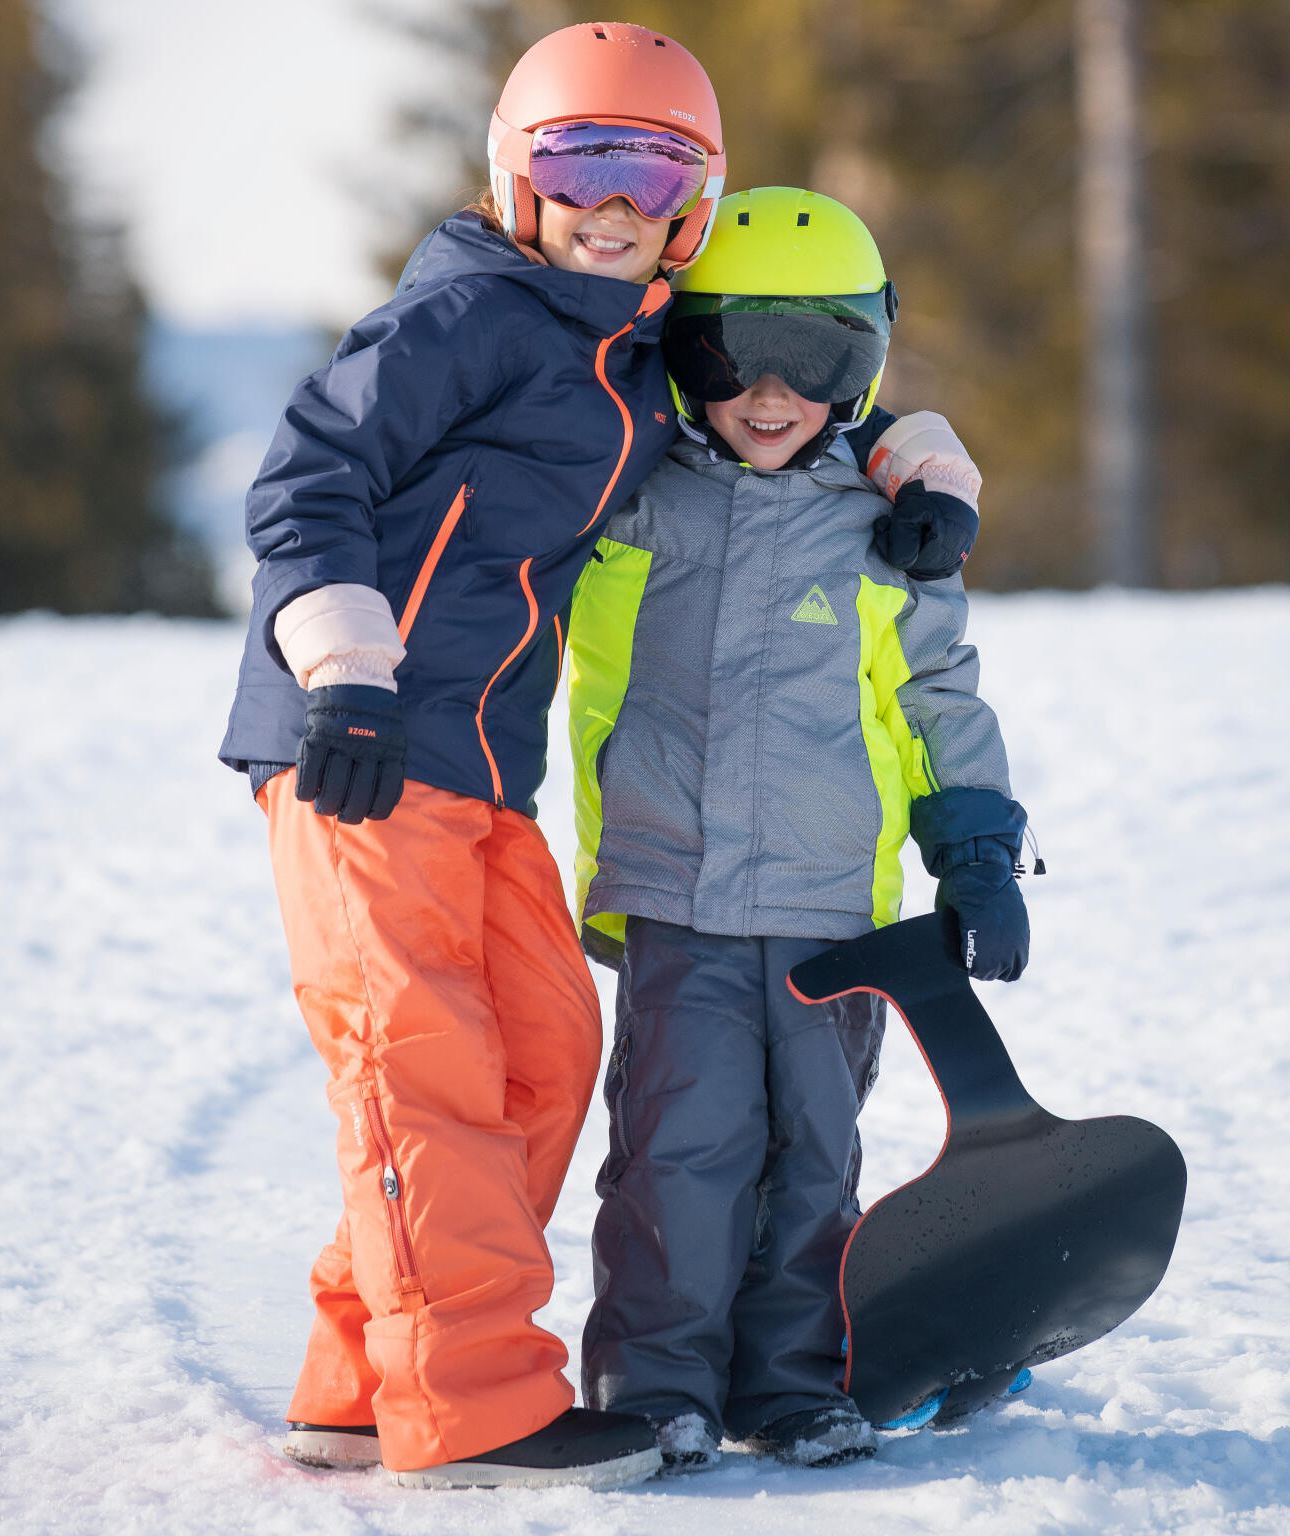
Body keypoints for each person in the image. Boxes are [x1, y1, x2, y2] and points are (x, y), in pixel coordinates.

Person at [218, 24, 979, 1491]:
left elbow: (817, 407)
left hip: (482, 767)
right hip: (363, 744)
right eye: (579, 160)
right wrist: (347, 670)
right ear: (518, 175)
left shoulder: (631, 347)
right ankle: (476, 1405)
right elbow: (308, 477)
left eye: (653, 165)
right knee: (420, 1062)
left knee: (548, 1051)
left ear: (692, 198)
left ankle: (364, 1376)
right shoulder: (466, 318)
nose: (612, 198)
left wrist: (924, 465)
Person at [564, 187, 1032, 1474]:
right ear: (683, 351)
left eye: (816, 360)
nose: (770, 394)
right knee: (677, 1153)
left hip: (834, 903)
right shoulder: (634, 503)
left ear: (863, 364)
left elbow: (943, 694)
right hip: (675, 892)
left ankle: (788, 1381)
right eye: (731, 355)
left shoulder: (889, 532)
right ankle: (654, 1380)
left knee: (815, 1157)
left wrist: (978, 851)